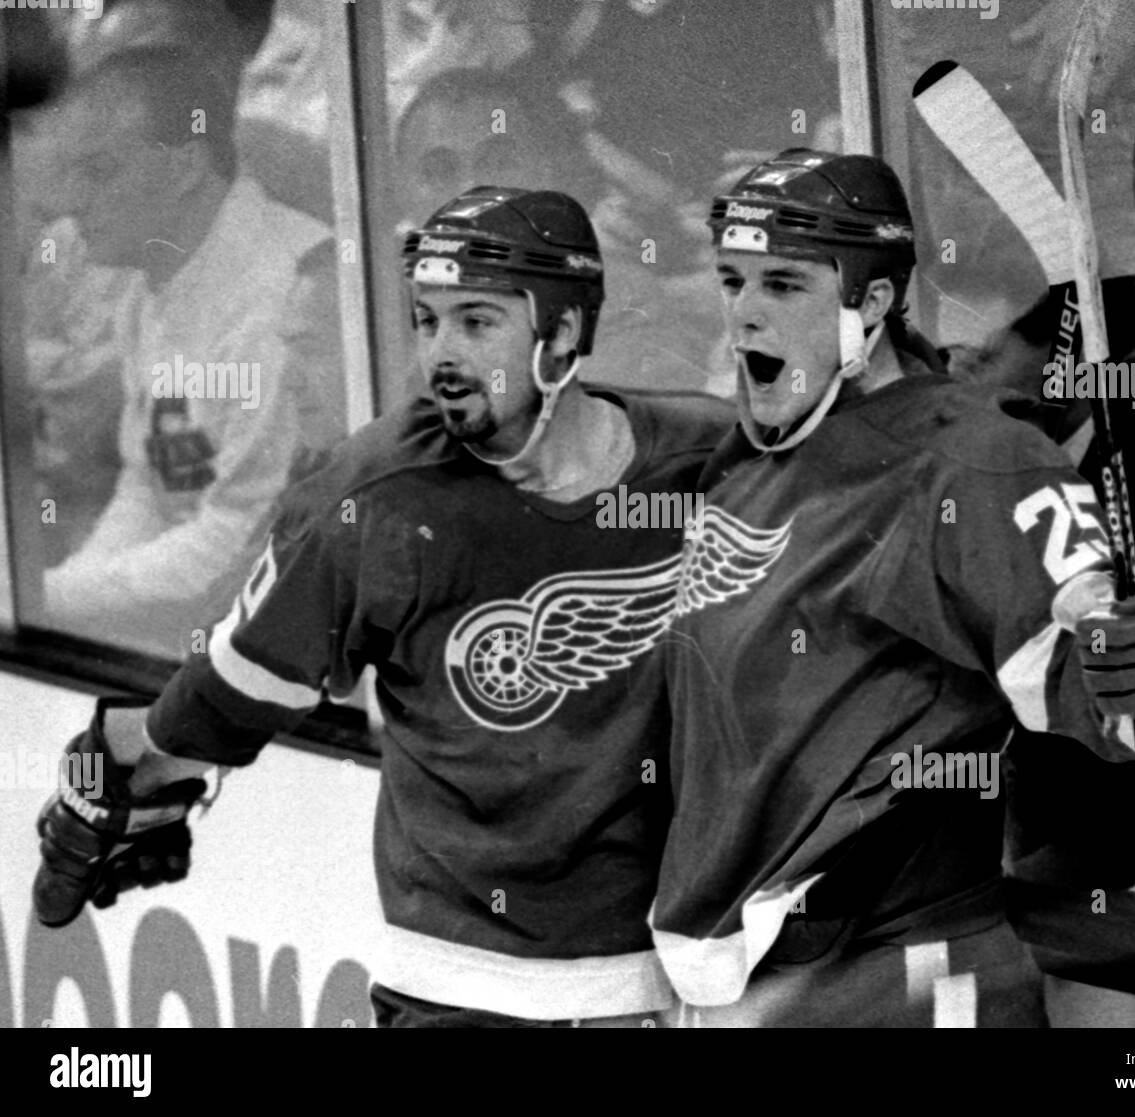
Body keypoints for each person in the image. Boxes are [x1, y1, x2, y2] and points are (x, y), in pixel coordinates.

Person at [32, 185, 731, 1028]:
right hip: (456, 992)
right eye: (427, 320)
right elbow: (240, 686)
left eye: (476, 322)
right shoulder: (377, 498)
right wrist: (134, 765)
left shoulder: (706, 462)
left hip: (662, 988)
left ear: (568, 331)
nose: (441, 353)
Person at [650, 148, 1135, 1027]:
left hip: (898, 974)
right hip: (746, 976)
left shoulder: (968, 460)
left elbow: (1088, 651)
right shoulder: (758, 452)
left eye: (784, 285)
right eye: (732, 280)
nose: (745, 314)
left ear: (869, 304)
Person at [40, 46, 346, 657]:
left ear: (184, 167)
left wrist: (46, 600)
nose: (71, 202)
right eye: (69, 173)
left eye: (98, 172)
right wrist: (62, 599)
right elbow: (149, 484)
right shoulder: (153, 274)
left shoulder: (287, 295)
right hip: (198, 613)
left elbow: (239, 540)